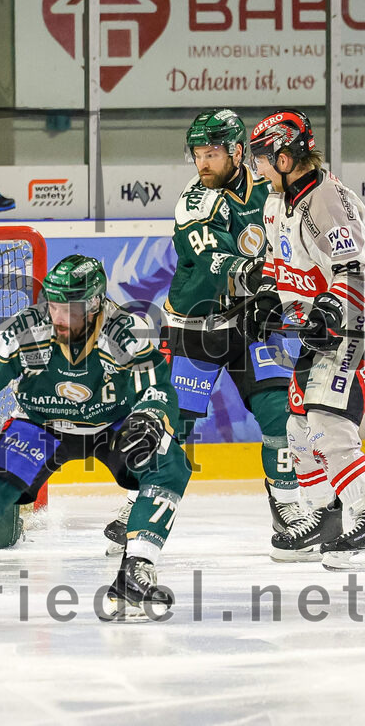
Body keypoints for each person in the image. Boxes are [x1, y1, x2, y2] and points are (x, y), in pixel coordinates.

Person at [0, 255, 192, 621]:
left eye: (68, 309)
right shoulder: (27, 329)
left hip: (111, 426)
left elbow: (157, 386)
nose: (57, 317)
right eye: (53, 305)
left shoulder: (127, 332)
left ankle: (136, 570)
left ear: (95, 305)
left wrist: (150, 416)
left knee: (168, 461)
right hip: (40, 424)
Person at [103, 108, 297, 557]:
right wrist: (263, 281)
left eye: (211, 153)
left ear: (237, 151)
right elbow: (216, 263)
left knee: (277, 413)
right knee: (174, 424)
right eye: (197, 155)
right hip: (196, 328)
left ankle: (288, 510)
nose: (202, 164)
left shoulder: (271, 191)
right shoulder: (196, 202)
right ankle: (138, 503)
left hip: (249, 325)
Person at [248, 109, 365, 569]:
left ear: (284, 156)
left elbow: (354, 270)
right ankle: (325, 516)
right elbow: (282, 267)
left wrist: (331, 310)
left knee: (328, 422)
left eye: (261, 157)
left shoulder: (329, 199)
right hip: (319, 334)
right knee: (298, 425)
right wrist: (266, 299)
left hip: (352, 327)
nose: (256, 167)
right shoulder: (276, 203)